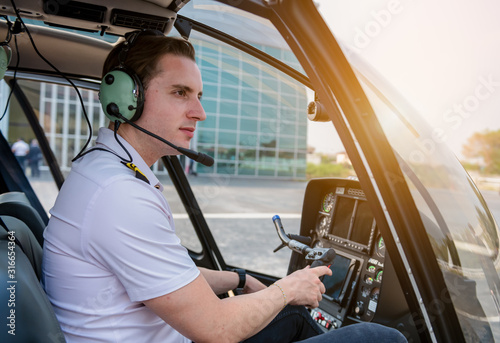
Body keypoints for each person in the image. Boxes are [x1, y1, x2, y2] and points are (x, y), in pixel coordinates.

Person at [42, 31, 407, 343]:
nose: (199, 112)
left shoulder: (104, 169)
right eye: (181, 93)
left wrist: (242, 278)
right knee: (381, 338)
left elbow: (168, 276)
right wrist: (289, 288)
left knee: (295, 316)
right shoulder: (119, 194)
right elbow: (216, 330)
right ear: (128, 99)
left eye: (198, 95)